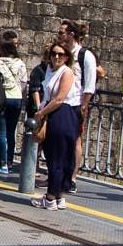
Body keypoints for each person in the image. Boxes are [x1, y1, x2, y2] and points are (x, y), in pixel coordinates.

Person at [32, 44, 77, 210]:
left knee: (58, 156)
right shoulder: (51, 71)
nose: (56, 57)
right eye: (54, 54)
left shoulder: (67, 72)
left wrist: (41, 113)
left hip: (62, 113)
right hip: (54, 113)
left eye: (61, 54)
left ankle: (51, 197)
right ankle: (58, 196)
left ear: (66, 57)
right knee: (54, 156)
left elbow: (59, 98)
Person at [58, 20, 97, 191]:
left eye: (61, 33)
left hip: (75, 103)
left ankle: (72, 177)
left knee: (75, 140)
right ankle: (59, 175)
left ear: (71, 35)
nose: (59, 36)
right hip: (60, 102)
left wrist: (84, 106)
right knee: (60, 140)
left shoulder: (85, 55)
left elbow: (89, 84)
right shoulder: (61, 54)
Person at [0, 38, 28, 175]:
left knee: (1, 132)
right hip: (17, 97)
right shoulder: (20, 63)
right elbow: (24, 82)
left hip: (4, 97)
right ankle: (10, 161)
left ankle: (3, 164)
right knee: (11, 131)